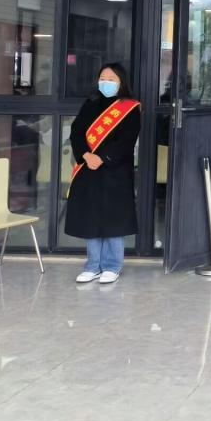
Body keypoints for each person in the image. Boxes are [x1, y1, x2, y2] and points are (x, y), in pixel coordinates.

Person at [65, 63, 141, 285]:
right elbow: (76, 132)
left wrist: (103, 158)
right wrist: (85, 155)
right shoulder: (91, 103)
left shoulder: (129, 108)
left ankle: (112, 266)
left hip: (115, 170)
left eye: (111, 79)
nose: (105, 82)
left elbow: (127, 140)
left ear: (121, 82)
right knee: (91, 217)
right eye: (102, 78)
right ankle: (92, 266)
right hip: (88, 168)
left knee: (113, 218)